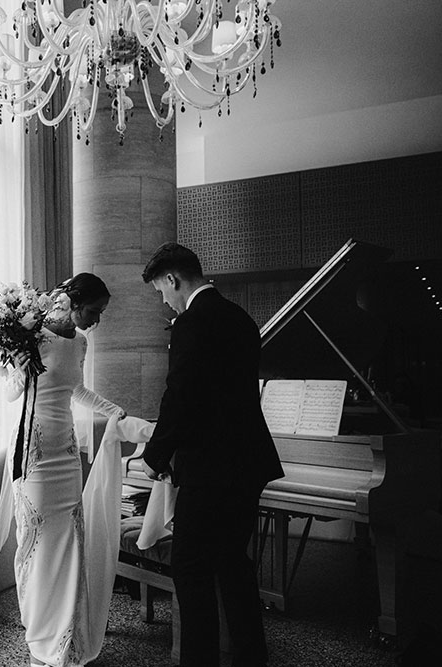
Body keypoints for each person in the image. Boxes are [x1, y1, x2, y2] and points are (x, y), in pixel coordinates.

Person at [0, 272, 153, 667]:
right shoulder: (33, 334)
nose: (96, 321)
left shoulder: (79, 342)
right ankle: (39, 631)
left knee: (68, 543)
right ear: (76, 302)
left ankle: (65, 637)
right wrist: (13, 366)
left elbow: (74, 389)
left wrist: (113, 410)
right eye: (94, 312)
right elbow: (11, 392)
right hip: (33, 450)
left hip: (65, 454)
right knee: (35, 539)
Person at [139, 243, 284, 667]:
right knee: (233, 564)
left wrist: (155, 455)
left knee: (189, 568)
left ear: (173, 279)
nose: (164, 301)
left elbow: (182, 397)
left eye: (161, 292)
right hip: (247, 462)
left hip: (209, 468)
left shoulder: (191, 324)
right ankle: (251, 656)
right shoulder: (242, 319)